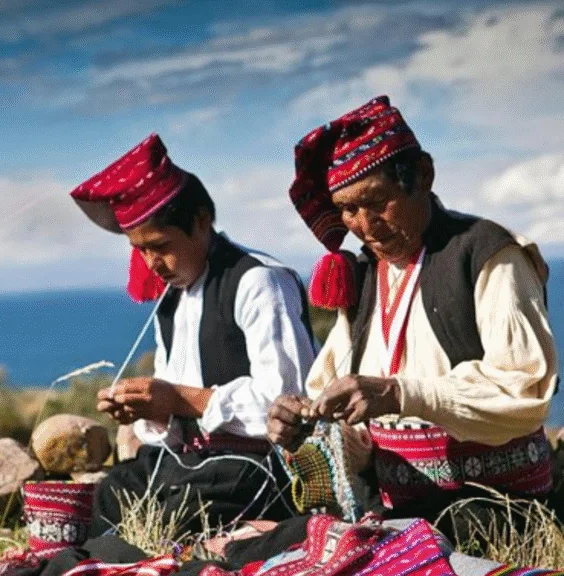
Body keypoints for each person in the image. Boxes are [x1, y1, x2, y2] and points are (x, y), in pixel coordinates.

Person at [266, 95, 558, 532]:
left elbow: (524, 392)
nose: (365, 226)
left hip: (495, 509)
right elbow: (355, 427)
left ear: (422, 176)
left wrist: (401, 393)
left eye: (376, 201)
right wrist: (308, 427)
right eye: (348, 209)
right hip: (398, 512)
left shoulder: (488, 254)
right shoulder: (364, 277)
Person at [68, 134, 318, 537]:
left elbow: (290, 404)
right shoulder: (171, 301)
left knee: (177, 515)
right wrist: (148, 410)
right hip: (193, 464)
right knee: (114, 492)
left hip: (257, 468)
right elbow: (172, 418)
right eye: (140, 250)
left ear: (201, 221)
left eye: (160, 246)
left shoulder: (259, 282)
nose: (151, 263)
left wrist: (182, 399)